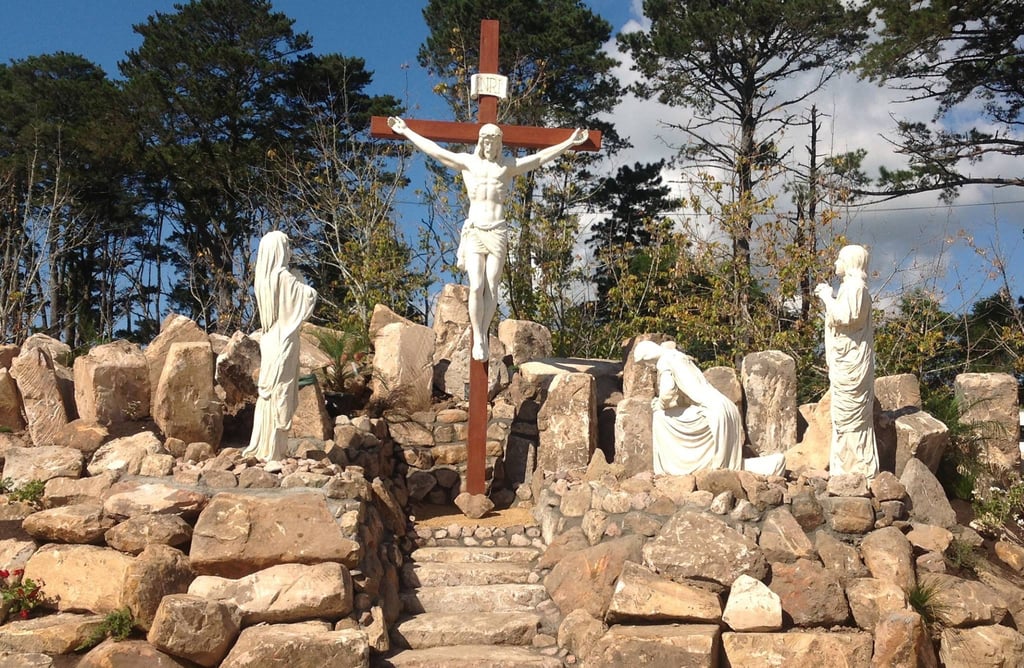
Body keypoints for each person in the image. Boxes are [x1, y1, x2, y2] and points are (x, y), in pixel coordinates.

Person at [387, 116, 588, 360]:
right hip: (475, 230)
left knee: (492, 285)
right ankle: (479, 336)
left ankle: (483, 330)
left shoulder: (507, 166)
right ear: (481, 143)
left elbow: (539, 158)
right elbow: (436, 151)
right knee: (476, 285)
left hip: (498, 230)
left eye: (495, 142)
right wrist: (407, 132)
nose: (490, 146)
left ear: (499, 144)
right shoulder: (468, 162)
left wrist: (568, 143)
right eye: (487, 142)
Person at [633, 341, 784, 476]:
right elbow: (687, 393)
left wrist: (659, 404)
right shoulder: (679, 356)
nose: (648, 366)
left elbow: (667, 393)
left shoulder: (664, 361)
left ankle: (674, 468)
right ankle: (772, 465)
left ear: (647, 356)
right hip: (727, 409)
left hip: (712, 412)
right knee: (731, 465)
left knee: (660, 416)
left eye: (645, 363)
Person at [243, 231, 317, 462]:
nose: (289, 251)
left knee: (269, 393)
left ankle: (263, 445)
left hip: (270, 339)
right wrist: (301, 280)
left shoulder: (263, 281)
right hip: (284, 340)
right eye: (286, 246)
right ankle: (274, 450)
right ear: (278, 250)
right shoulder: (284, 277)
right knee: (282, 391)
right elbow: (308, 298)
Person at [815, 244, 879, 479]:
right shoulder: (849, 288)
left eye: (839, 259)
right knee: (842, 418)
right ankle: (844, 469)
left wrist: (826, 297)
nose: (835, 263)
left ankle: (858, 471)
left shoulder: (856, 288)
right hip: (845, 360)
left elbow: (845, 317)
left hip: (852, 363)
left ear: (850, 262)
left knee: (850, 417)